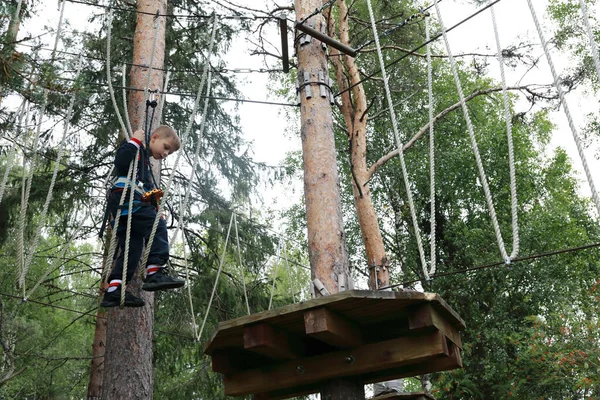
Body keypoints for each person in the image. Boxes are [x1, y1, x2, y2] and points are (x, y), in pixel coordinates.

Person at [100, 125, 185, 308]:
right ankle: (154, 271)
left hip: (129, 207)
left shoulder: (144, 161)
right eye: (166, 147)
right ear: (154, 138)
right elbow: (120, 161)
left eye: (169, 153)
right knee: (157, 225)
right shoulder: (135, 149)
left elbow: (143, 186)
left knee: (133, 247)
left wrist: (152, 201)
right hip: (126, 199)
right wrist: (134, 141)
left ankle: (114, 289)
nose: (165, 154)